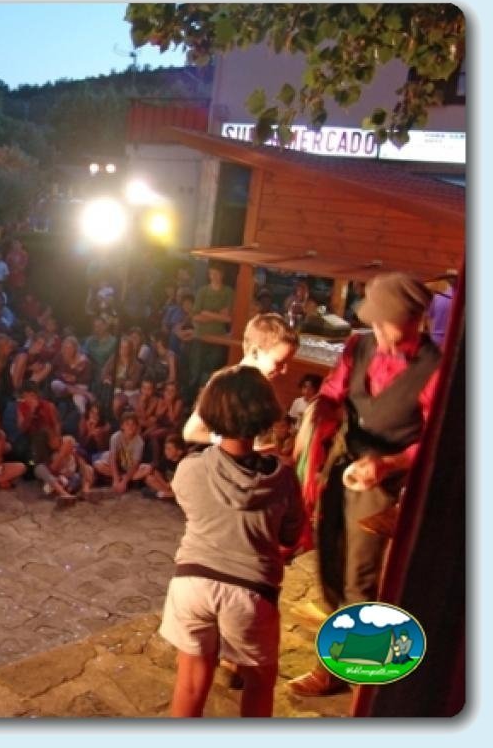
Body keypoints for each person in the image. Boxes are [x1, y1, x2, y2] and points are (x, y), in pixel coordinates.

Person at [288, 273, 441, 697]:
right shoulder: (360, 346)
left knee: (360, 575)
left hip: (383, 486)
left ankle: (347, 670)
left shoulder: (435, 370)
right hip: (343, 463)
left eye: (384, 322)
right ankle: (343, 649)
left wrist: (390, 463)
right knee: (330, 558)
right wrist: (323, 411)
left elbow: (434, 441)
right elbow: (336, 391)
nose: (376, 329)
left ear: (413, 320)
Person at [160, 366, 302, 717]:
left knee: (191, 681)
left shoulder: (190, 468)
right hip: (251, 592)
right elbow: (290, 534)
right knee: (259, 681)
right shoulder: (281, 478)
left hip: (191, 582)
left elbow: (187, 502)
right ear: (263, 414)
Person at [182, 313, 299, 446]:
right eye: (279, 362)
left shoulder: (264, 385)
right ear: (255, 352)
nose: (284, 370)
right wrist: (227, 442)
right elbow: (190, 432)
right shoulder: (225, 384)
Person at [186, 264, 234, 399]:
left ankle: (205, 401)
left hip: (218, 337)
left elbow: (228, 318)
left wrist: (206, 312)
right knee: (195, 372)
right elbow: (195, 316)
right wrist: (217, 315)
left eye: (217, 273)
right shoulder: (203, 291)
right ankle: (190, 402)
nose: (214, 276)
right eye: (211, 273)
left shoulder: (228, 292)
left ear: (222, 274)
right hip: (200, 336)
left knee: (211, 372)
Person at [93, 412, 154, 496]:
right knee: (98, 464)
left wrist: (124, 481)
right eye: (127, 424)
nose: (130, 427)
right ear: (122, 426)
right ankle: (121, 479)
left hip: (129, 468)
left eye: (133, 424)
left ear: (136, 427)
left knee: (148, 468)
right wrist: (116, 479)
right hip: (116, 467)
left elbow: (135, 464)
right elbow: (113, 458)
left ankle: (125, 480)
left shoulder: (139, 442)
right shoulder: (115, 437)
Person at [35, 434, 93, 503]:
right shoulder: (55, 455)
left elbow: (83, 468)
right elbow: (53, 470)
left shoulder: (73, 454)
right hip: (58, 480)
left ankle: (85, 492)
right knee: (41, 470)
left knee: (88, 469)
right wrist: (62, 454)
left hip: (71, 481)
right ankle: (63, 494)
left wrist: (76, 455)